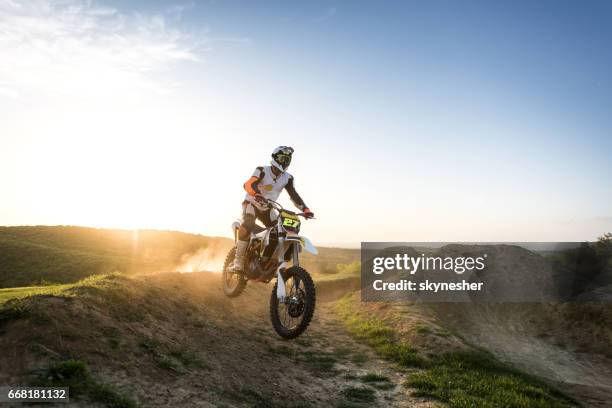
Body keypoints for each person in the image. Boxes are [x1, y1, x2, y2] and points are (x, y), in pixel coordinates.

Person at [230, 146, 314, 272]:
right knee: (247, 225)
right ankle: (238, 261)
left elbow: (293, 194)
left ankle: (267, 262)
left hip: (268, 208)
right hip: (251, 204)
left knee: (280, 232)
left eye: (287, 159)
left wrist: (305, 209)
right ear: (275, 158)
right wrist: (257, 194)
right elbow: (248, 184)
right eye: (282, 158)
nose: (285, 162)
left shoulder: (288, 178)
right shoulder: (262, 170)